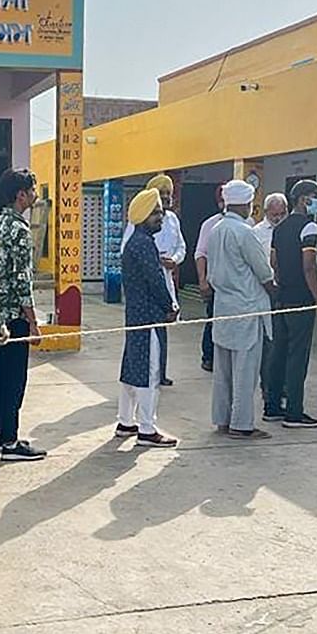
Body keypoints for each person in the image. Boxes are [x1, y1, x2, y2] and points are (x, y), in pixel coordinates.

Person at [0, 168, 47, 461]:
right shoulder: (19, 230)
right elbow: (22, 280)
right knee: (14, 379)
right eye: (32, 190)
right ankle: (11, 442)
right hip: (14, 317)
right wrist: (33, 323)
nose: (35, 195)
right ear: (21, 194)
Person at [209, 180, 278, 440]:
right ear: (246, 203)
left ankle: (222, 420)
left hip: (223, 306)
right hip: (247, 308)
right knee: (245, 371)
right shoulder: (244, 231)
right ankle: (242, 424)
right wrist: (274, 287)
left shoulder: (216, 229)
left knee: (223, 371)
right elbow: (263, 271)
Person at [264, 179, 317, 429]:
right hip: (301, 300)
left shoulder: (279, 228)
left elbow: (274, 263)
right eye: (316, 196)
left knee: (278, 353)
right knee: (297, 357)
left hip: (281, 298)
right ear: (304, 199)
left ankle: (272, 406)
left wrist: (282, 285)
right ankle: (294, 412)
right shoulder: (309, 227)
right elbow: (309, 266)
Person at [117, 189, 179, 447]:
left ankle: (125, 422)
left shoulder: (136, 241)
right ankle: (146, 429)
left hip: (136, 316)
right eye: (155, 213)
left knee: (131, 370)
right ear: (142, 216)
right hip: (148, 317)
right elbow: (155, 280)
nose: (161, 217)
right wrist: (170, 306)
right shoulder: (143, 244)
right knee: (149, 372)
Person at [121, 174, 185, 386]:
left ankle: (161, 373)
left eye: (168, 193)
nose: (166, 198)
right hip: (146, 287)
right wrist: (152, 260)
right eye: (162, 193)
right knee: (147, 343)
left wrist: (173, 260)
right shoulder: (140, 232)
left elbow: (181, 248)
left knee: (161, 333)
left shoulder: (173, 220)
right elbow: (128, 252)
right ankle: (150, 380)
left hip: (164, 275)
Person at [253, 192, 288, 415]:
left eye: (281, 214)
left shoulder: (289, 230)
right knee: (268, 345)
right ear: (266, 213)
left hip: (285, 293)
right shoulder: (255, 233)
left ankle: (280, 386)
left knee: (282, 343)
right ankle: (268, 388)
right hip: (264, 293)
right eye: (274, 214)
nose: (278, 218)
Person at [195, 184, 226, 372]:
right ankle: (209, 357)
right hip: (215, 284)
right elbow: (200, 253)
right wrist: (203, 280)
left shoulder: (248, 224)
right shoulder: (210, 224)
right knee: (213, 319)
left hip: (238, 287)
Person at [252, 192, 288, 257]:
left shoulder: (290, 229)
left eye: (283, 214)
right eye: (275, 215)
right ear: (266, 212)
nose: (279, 218)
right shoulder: (257, 232)